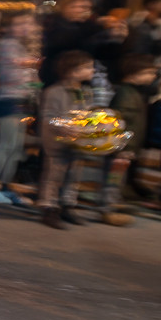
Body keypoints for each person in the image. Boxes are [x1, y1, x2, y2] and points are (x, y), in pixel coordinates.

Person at [0, 10, 39, 206]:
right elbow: (10, 72)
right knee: (5, 144)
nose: (25, 28)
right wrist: (31, 65)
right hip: (7, 99)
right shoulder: (7, 45)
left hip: (20, 100)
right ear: (10, 27)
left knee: (14, 147)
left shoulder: (21, 46)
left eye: (28, 24)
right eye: (20, 24)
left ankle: (3, 186)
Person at [38, 50, 96, 229]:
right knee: (54, 175)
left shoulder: (86, 92)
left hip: (78, 141)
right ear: (72, 71)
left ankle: (68, 205)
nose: (92, 71)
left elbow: (89, 114)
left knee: (74, 174)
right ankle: (49, 207)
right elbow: (48, 116)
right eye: (87, 68)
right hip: (57, 141)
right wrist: (64, 125)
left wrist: (91, 126)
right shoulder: (54, 92)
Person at [109, 53, 158, 205]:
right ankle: (109, 203)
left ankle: (112, 200)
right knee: (115, 176)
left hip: (126, 145)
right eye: (150, 73)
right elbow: (122, 122)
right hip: (122, 146)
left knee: (118, 175)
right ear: (135, 73)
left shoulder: (134, 93)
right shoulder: (126, 94)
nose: (153, 77)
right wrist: (124, 146)